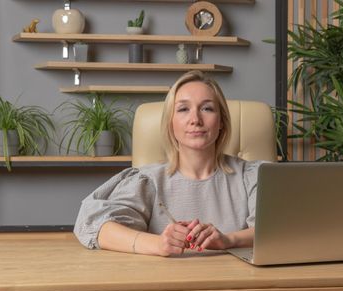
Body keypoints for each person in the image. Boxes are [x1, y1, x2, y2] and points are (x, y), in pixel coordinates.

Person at [73, 70, 263, 256]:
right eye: (183, 109)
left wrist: (228, 241)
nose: (195, 120)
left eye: (207, 108)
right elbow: (92, 224)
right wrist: (158, 244)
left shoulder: (253, 176)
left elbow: (281, 230)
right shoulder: (147, 180)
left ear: (221, 120)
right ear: (170, 123)